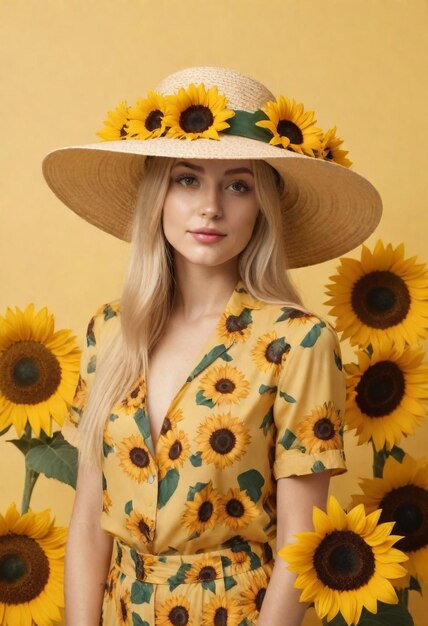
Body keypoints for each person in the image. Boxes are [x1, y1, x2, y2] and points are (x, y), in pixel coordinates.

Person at [42, 66, 382, 626]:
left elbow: (303, 539)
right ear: (159, 195)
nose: (211, 207)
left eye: (238, 184)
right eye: (187, 179)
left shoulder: (297, 342)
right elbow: (87, 517)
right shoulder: (111, 331)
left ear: (262, 207)